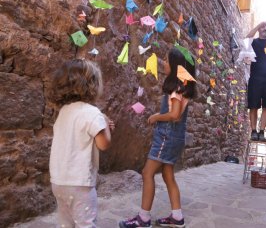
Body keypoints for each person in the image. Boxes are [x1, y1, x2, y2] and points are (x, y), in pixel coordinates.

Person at [119, 47, 197, 228]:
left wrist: (156, 117)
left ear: (177, 66)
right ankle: (177, 217)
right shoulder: (182, 88)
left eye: (166, 59)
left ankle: (143, 218)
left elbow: (175, 115)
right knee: (168, 174)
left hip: (167, 136)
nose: (163, 62)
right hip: (174, 137)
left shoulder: (177, 89)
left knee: (147, 173)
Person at [49, 59, 114, 228]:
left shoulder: (63, 111)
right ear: (92, 85)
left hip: (58, 181)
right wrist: (105, 124)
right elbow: (104, 144)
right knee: (85, 224)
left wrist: (102, 125)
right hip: (79, 184)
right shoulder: (92, 113)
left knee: (66, 223)